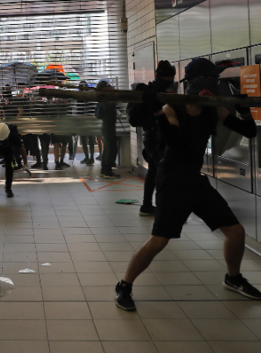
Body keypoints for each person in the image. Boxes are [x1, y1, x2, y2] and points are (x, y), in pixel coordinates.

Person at [115, 58, 261, 311]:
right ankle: (124, 285)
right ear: (196, 81)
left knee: (236, 232)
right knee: (159, 240)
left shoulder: (212, 107)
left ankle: (233, 277)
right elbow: (173, 141)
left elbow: (248, 131)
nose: (215, 83)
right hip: (172, 179)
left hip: (195, 179)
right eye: (211, 78)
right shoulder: (174, 107)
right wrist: (158, 111)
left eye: (216, 79)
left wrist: (245, 109)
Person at [127, 60, 177, 216]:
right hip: (159, 139)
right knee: (163, 174)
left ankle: (147, 205)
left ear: (156, 74)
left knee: (154, 172)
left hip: (149, 137)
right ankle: (164, 208)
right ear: (172, 76)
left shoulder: (148, 90)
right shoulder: (165, 92)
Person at [95, 80, 119, 178]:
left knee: (107, 149)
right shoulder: (107, 100)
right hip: (109, 126)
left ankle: (104, 170)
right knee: (111, 149)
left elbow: (98, 115)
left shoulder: (101, 100)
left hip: (105, 125)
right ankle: (107, 171)